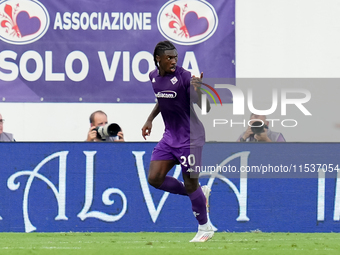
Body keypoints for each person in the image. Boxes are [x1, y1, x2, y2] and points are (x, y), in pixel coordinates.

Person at [141, 41, 214, 242]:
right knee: (154, 178)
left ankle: (205, 228)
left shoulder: (184, 78)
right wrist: (150, 119)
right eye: (169, 58)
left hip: (190, 139)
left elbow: (206, 107)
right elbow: (162, 99)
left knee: (191, 184)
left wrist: (199, 90)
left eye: (175, 57)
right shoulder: (153, 77)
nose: (174, 61)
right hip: (169, 137)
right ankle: (200, 193)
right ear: (158, 59)